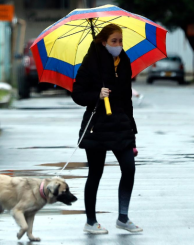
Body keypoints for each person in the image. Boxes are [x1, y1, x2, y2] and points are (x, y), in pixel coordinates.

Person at [71, 24, 142, 234]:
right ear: (103, 41)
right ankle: (91, 222)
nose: (118, 45)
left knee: (129, 168)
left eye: (120, 41)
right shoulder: (91, 61)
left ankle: (123, 217)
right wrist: (97, 94)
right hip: (97, 126)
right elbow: (77, 94)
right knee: (95, 173)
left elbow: (128, 98)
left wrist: (133, 132)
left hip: (121, 124)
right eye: (114, 41)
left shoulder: (124, 61)